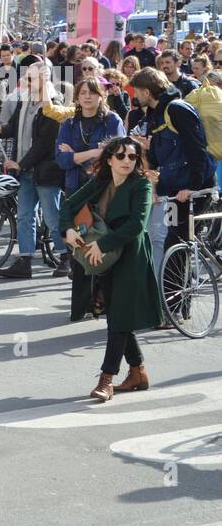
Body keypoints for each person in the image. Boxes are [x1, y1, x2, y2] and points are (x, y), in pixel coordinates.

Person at [59, 138, 164, 402]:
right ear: (109, 160)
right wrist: (68, 230)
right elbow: (68, 205)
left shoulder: (141, 184)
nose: (127, 161)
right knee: (118, 316)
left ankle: (106, 379)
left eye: (132, 156)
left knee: (118, 319)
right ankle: (138, 371)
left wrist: (102, 245)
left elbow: (136, 225)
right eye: (121, 156)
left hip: (130, 258)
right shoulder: (100, 182)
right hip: (102, 259)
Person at [127, 67, 218, 278]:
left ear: (147, 92)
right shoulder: (155, 115)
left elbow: (196, 148)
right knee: (176, 241)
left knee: (175, 242)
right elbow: (162, 158)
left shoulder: (177, 109)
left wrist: (193, 186)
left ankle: (174, 302)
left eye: (137, 91)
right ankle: (177, 301)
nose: (135, 96)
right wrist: (148, 148)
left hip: (194, 186)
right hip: (176, 185)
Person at [0, 61, 64, 279]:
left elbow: (45, 143)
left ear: (45, 78)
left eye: (31, 78)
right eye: (26, 77)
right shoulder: (25, 100)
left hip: (44, 170)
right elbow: (13, 128)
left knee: (52, 217)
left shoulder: (52, 103)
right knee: (24, 216)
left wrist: (21, 163)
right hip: (25, 170)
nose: (25, 81)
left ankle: (66, 257)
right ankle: (25, 260)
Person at [55, 79, 126, 278]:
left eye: (92, 92)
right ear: (77, 97)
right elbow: (62, 159)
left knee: (102, 239)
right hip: (75, 187)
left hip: (103, 188)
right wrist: (94, 152)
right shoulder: (69, 124)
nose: (87, 97)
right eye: (83, 93)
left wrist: (76, 155)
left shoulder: (112, 120)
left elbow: (115, 155)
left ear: (101, 96)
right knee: (78, 240)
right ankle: (83, 294)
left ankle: (102, 296)